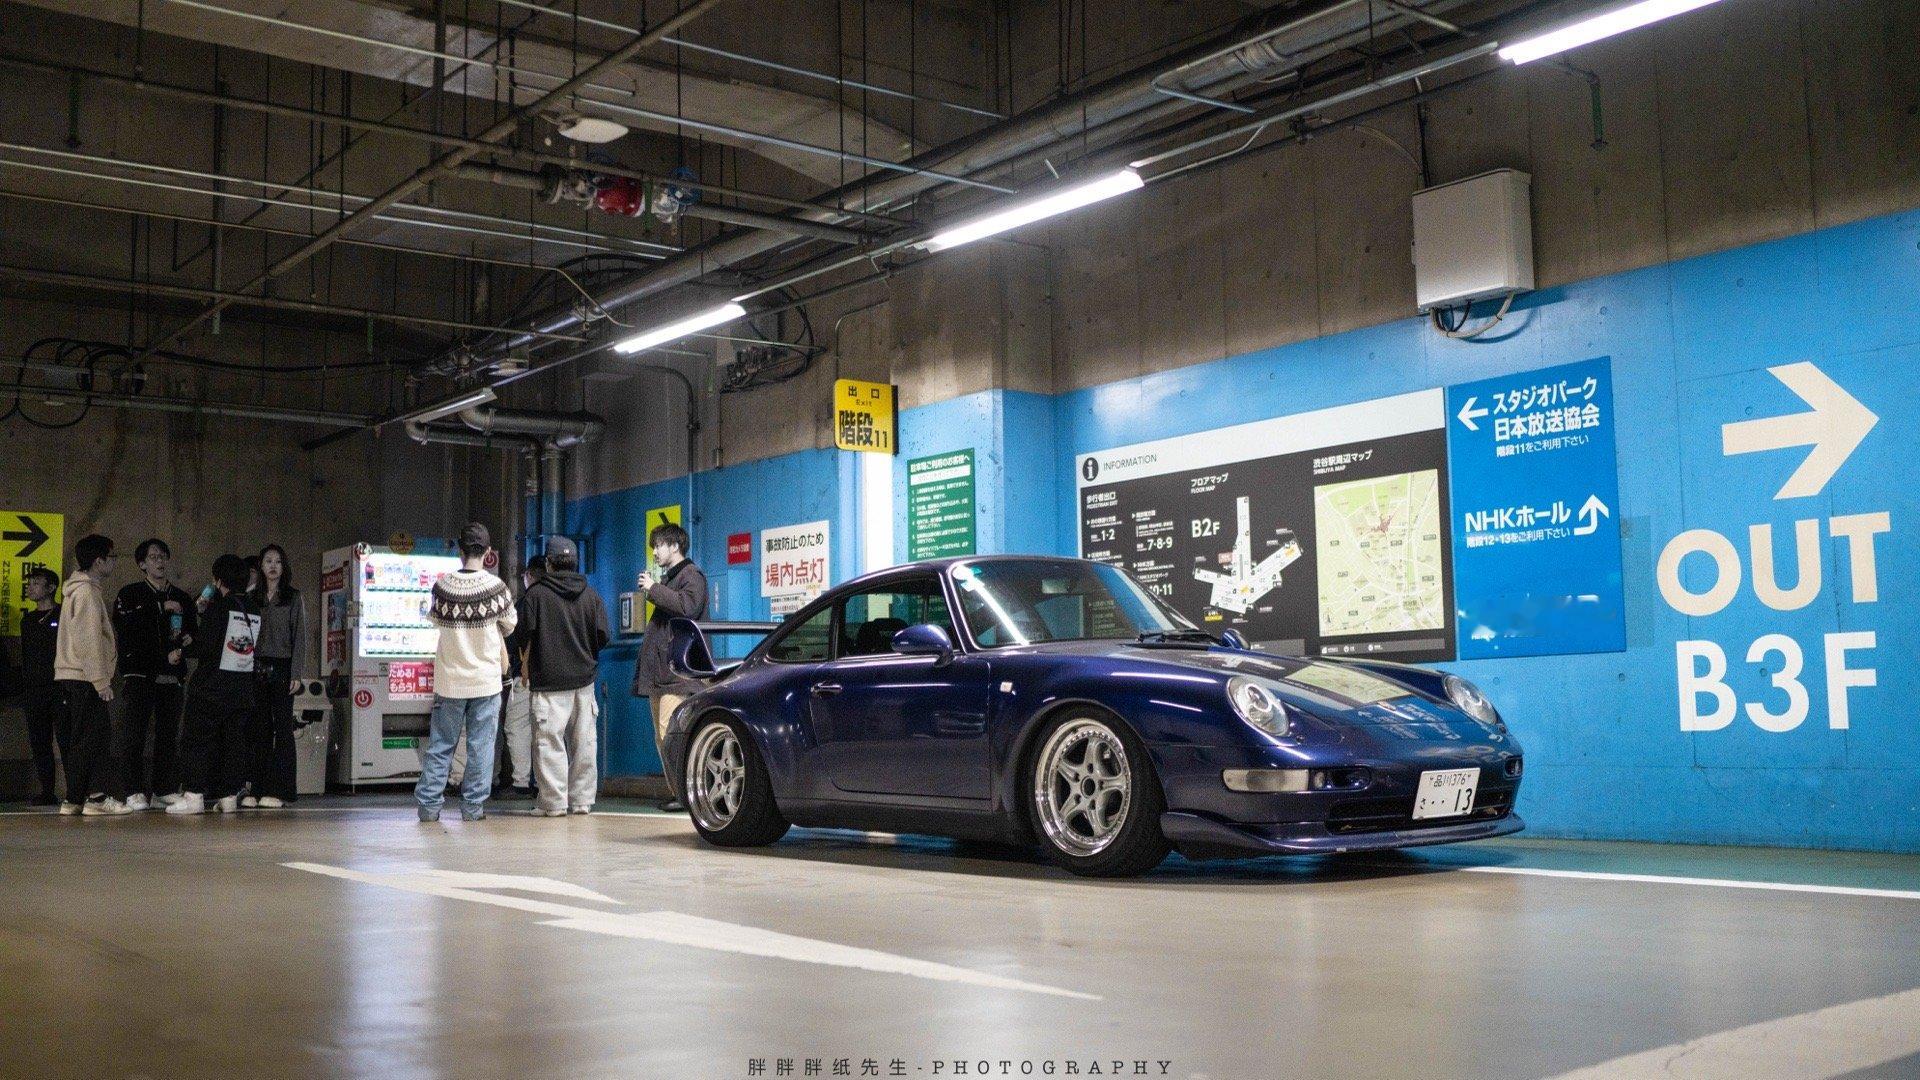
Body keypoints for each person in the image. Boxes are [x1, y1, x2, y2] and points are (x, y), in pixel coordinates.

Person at [415, 523, 517, 823]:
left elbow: (435, 621)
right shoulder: (497, 588)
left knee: (441, 746)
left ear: (460, 551)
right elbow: (510, 625)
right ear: (487, 552)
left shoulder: (442, 588)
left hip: (449, 682)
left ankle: (429, 808)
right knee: (481, 747)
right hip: (486, 682)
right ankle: (473, 808)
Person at [507, 536, 608, 817]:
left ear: (549, 564)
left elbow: (520, 635)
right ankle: (582, 801)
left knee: (549, 743)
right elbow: (603, 635)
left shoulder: (536, 596)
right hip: (584, 682)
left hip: (548, 682)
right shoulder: (591, 595)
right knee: (584, 744)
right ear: (575, 563)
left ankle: (553, 803)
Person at [169, 555, 260, 815]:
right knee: (233, 742)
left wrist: (183, 650)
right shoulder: (253, 608)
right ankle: (229, 796)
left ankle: (194, 796)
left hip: (211, 687)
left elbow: (207, 647)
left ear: (219, 580)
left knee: (198, 740)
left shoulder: (218, 607)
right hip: (242, 686)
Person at [630, 522, 708, 812]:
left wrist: (653, 589)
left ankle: (687, 795)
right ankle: (679, 793)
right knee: (662, 735)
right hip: (663, 674)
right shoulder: (671, 579)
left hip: (679, 673)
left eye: (659, 545)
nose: (655, 551)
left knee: (671, 733)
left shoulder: (692, 575)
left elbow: (688, 607)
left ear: (675, 546)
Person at [113, 538, 196, 811]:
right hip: (140, 675)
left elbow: (193, 632)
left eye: (163, 556)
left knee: (168, 735)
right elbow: (126, 628)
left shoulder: (181, 597)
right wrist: (159, 608)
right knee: (134, 735)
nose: (159, 561)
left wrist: (188, 640)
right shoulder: (130, 594)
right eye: (153, 557)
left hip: (171, 676)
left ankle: (163, 789)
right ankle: (133, 790)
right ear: (142, 564)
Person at [55, 533, 129, 816]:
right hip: (85, 677)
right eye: (112, 557)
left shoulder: (78, 590)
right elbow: (89, 640)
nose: (114, 562)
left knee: (80, 738)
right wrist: (101, 681)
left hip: (72, 675)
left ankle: (74, 798)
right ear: (99, 561)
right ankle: (97, 797)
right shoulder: (87, 592)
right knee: (95, 737)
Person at [246, 543, 305, 809]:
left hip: (283, 667)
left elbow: (300, 637)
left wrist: (296, 673)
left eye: (278, 561)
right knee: (259, 728)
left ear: (284, 567)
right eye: (268, 561)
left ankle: (280, 790)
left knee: (282, 728)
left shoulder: (293, 597)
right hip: (255, 666)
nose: (273, 566)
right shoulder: (251, 596)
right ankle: (257, 788)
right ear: (260, 565)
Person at [19, 567, 71, 808]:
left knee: (66, 739)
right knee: (40, 741)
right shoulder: (28, 620)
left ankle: (74, 790)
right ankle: (47, 791)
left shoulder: (63, 614)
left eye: (36, 583)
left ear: (51, 588)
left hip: (59, 686)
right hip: (34, 690)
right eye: (29, 583)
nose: (30, 587)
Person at [497, 554, 546, 798]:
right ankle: (547, 785)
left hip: (526, 677)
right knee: (546, 732)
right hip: (553, 678)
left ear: (528, 575)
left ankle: (521, 783)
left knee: (516, 727)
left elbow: (515, 637)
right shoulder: (557, 600)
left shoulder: (527, 603)